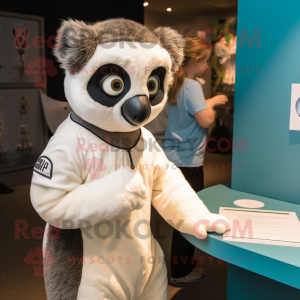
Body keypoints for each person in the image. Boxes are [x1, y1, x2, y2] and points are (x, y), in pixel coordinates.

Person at [161, 37, 228, 283]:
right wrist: (212, 106)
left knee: (178, 214)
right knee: (188, 217)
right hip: (189, 163)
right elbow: (206, 121)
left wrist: (208, 102)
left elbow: (191, 112)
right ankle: (181, 272)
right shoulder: (193, 86)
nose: (208, 68)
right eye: (206, 62)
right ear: (197, 60)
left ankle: (179, 268)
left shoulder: (175, 84)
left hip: (171, 159)